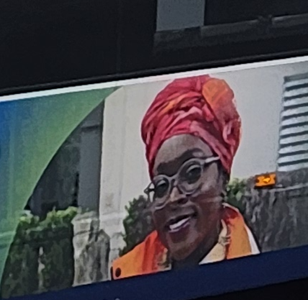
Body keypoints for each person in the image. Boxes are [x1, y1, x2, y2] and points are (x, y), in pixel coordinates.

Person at [111, 73, 260, 277]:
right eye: (162, 186)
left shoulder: (255, 273)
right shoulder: (127, 275)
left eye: (191, 174)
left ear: (223, 178)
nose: (173, 198)